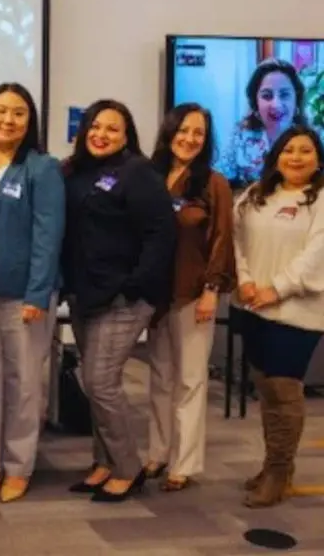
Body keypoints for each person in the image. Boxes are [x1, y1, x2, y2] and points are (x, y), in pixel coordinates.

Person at [62, 100, 176, 502]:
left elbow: (161, 234)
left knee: (101, 382)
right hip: (85, 294)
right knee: (93, 382)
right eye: (95, 126)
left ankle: (128, 467)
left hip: (123, 298)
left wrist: (134, 285)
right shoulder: (75, 172)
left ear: (127, 136)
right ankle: (104, 462)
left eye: (112, 129)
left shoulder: (138, 173)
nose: (101, 135)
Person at [0, 83, 64, 503]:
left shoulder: (41, 168)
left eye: (19, 113)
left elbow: (48, 236)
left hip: (22, 295)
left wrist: (38, 294)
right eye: (1, 111)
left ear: (30, 120)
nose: (8, 119)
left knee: (23, 383)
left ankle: (18, 466)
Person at [144, 104, 235, 492]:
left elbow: (222, 239)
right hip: (155, 297)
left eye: (198, 133)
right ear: (169, 131)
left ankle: (183, 463)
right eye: (183, 130)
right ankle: (158, 452)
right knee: (160, 378)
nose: (190, 139)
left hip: (194, 294)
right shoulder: (150, 177)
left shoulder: (214, 183)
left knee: (190, 381)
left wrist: (212, 290)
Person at [233, 125, 324, 508]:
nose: (296, 157)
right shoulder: (256, 194)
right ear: (276, 155)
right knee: (266, 387)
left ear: (318, 159)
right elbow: (236, 241)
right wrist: (245, 280)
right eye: (288, 150)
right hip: (254, 305)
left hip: (297, 310)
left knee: (285, 390)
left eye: (305, 150)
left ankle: (278, 472)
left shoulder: (320, 199)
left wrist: (278, 288)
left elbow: (317, 253)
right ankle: (276, 466)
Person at [220, 59, 310, 184]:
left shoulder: (312, 138)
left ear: (296, 100)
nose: (276, 105)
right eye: (267, 96)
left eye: (284, 95)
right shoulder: (239, 135)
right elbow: (220, 181)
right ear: (255, 102)